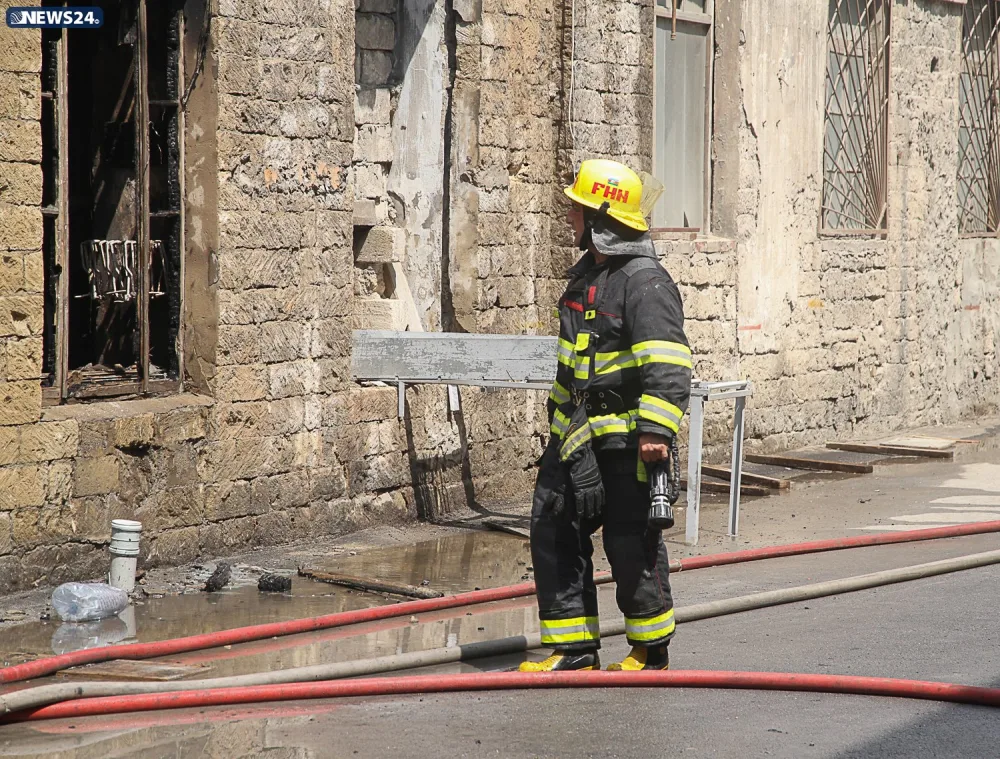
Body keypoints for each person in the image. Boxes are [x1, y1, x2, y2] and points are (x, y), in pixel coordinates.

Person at [519, 159, 692, 672]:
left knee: (629, 541)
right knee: (553, 528)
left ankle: (649, 648)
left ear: (601, 219)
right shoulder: (588, 278)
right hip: (578, 439)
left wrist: (656, 432)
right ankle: (574, 649)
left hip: (628, 443)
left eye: (578, 208)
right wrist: (560, 433)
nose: (569, 215)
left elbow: (668, 363)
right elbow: (572, 368)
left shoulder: (645, 282)